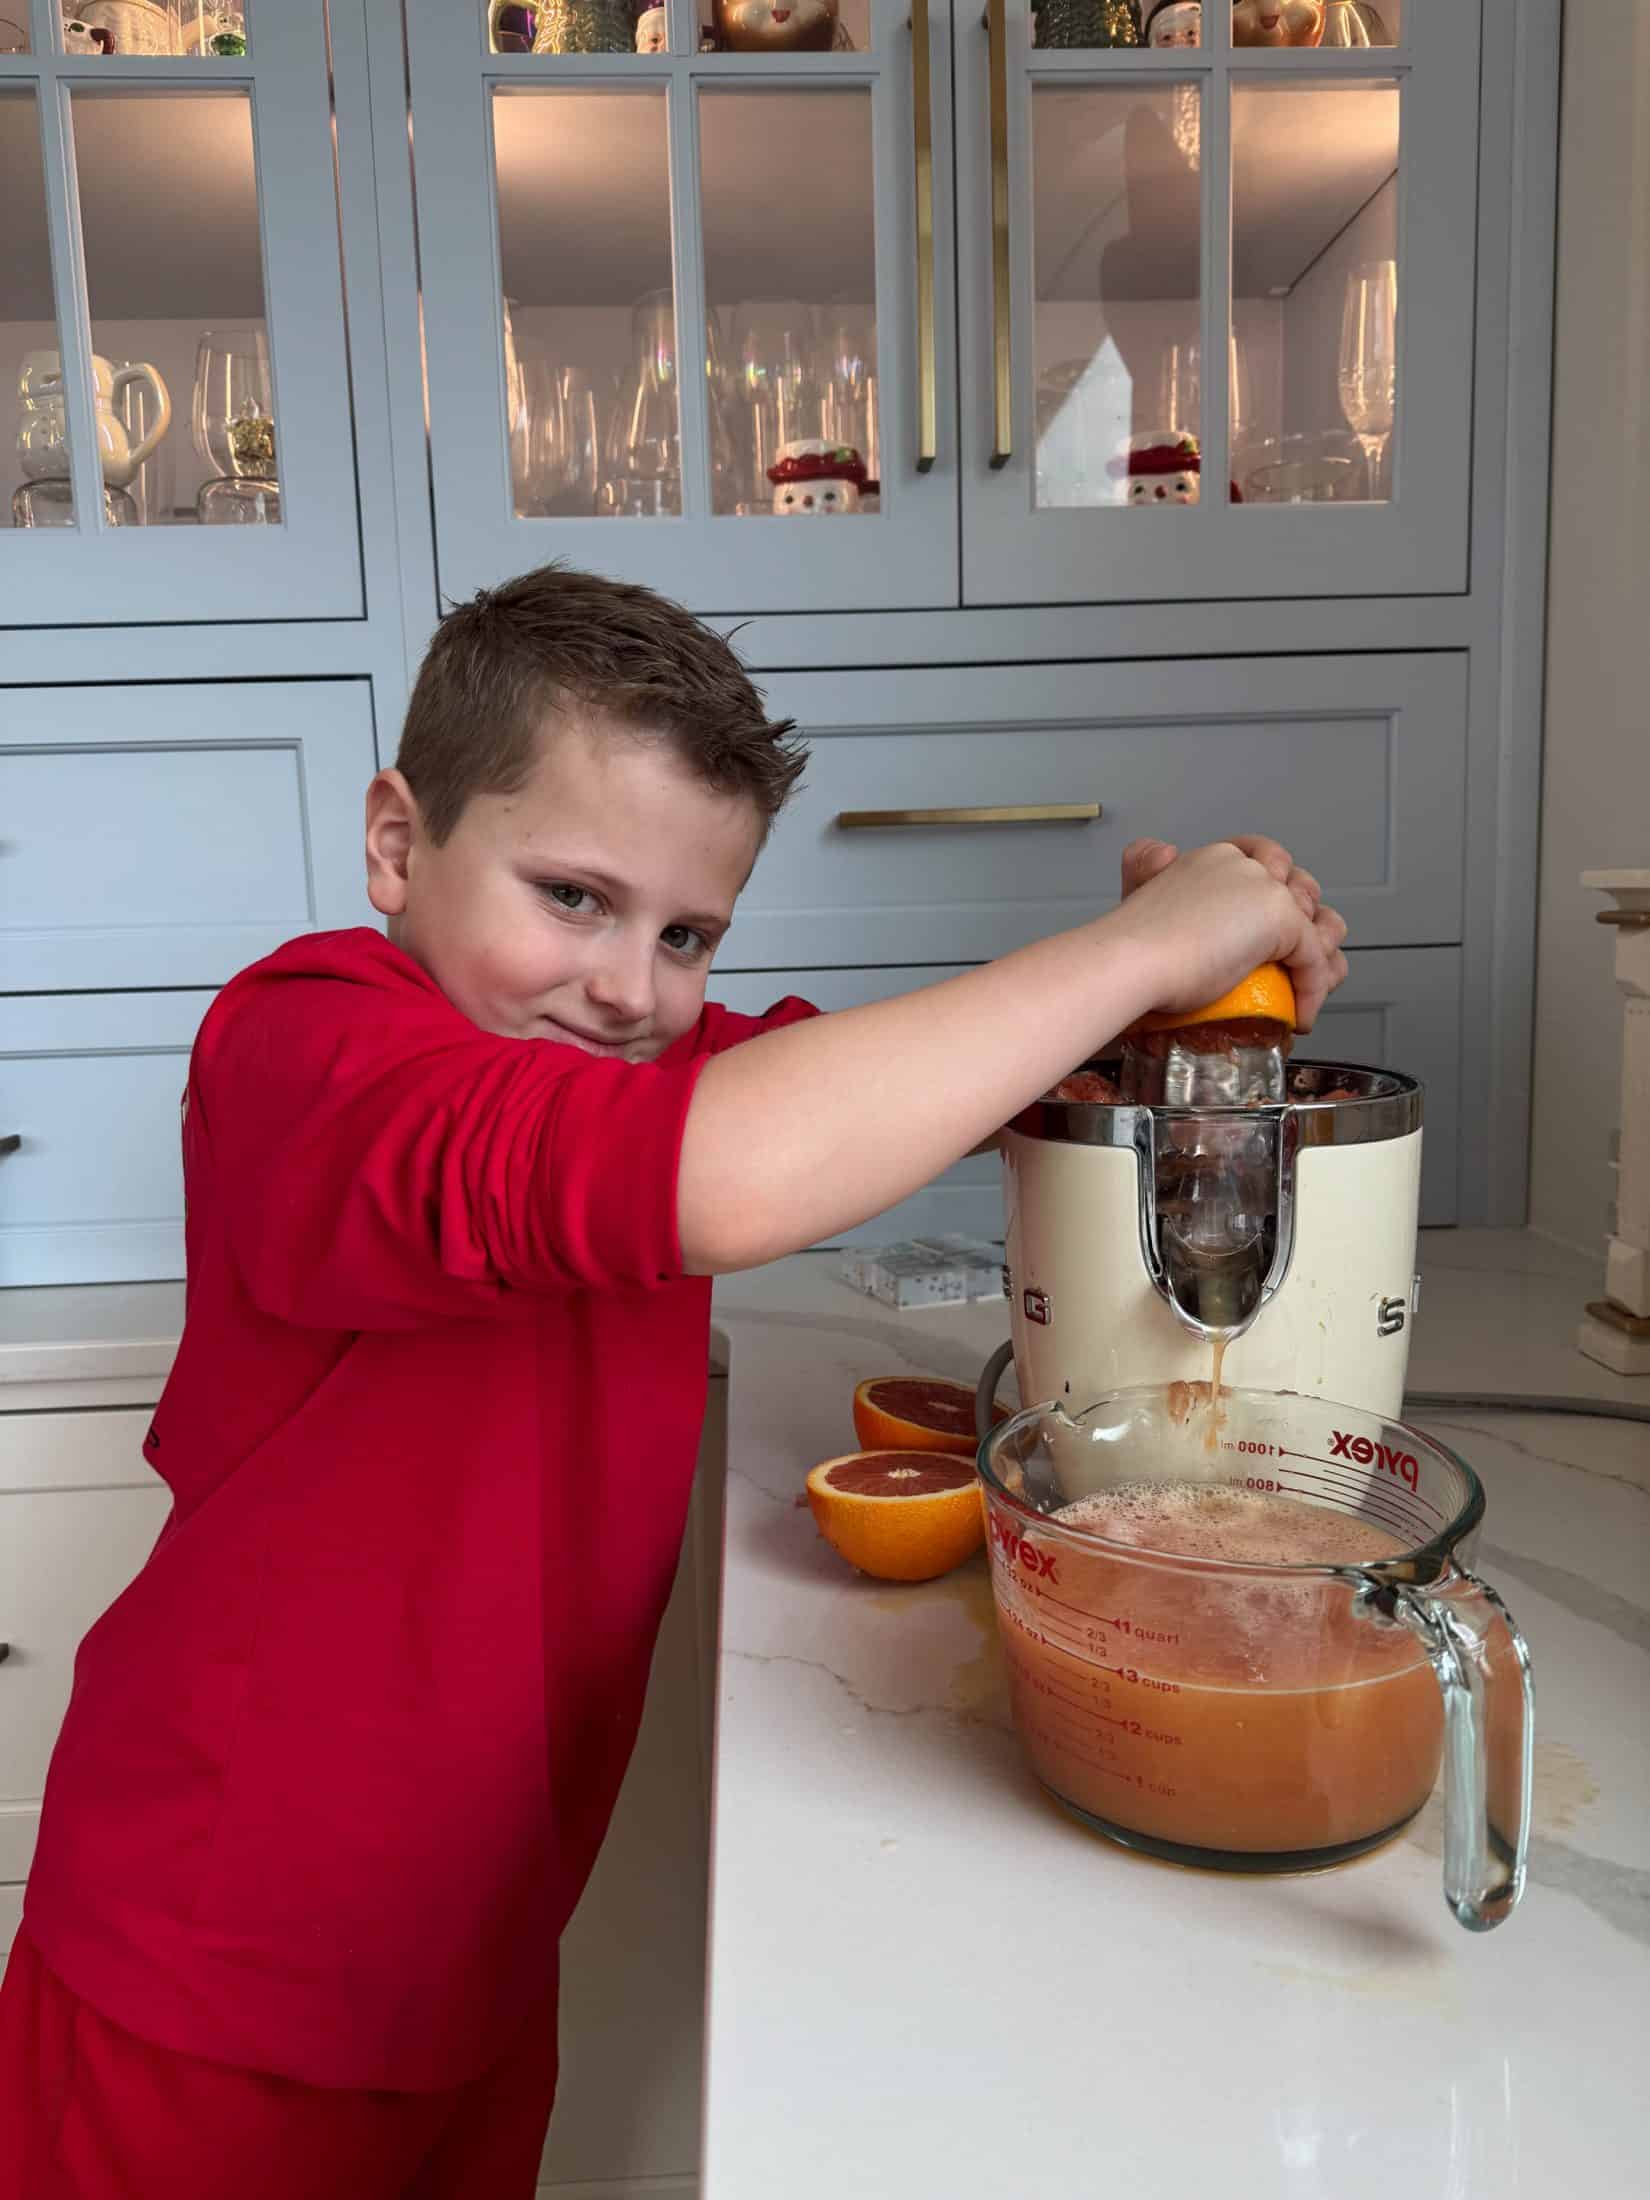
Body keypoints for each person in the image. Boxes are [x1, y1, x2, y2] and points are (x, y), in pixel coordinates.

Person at [0, 565, 1348, 2197]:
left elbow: (900, 1086)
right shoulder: (305, 1042)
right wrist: (1135, 944)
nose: (628, 989)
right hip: (207, 1966)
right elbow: (718, 1176)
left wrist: (1163, 1010)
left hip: (477, 1944)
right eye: (572, 896)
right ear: (398, 844)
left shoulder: (658, 1064)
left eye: (686, 933)